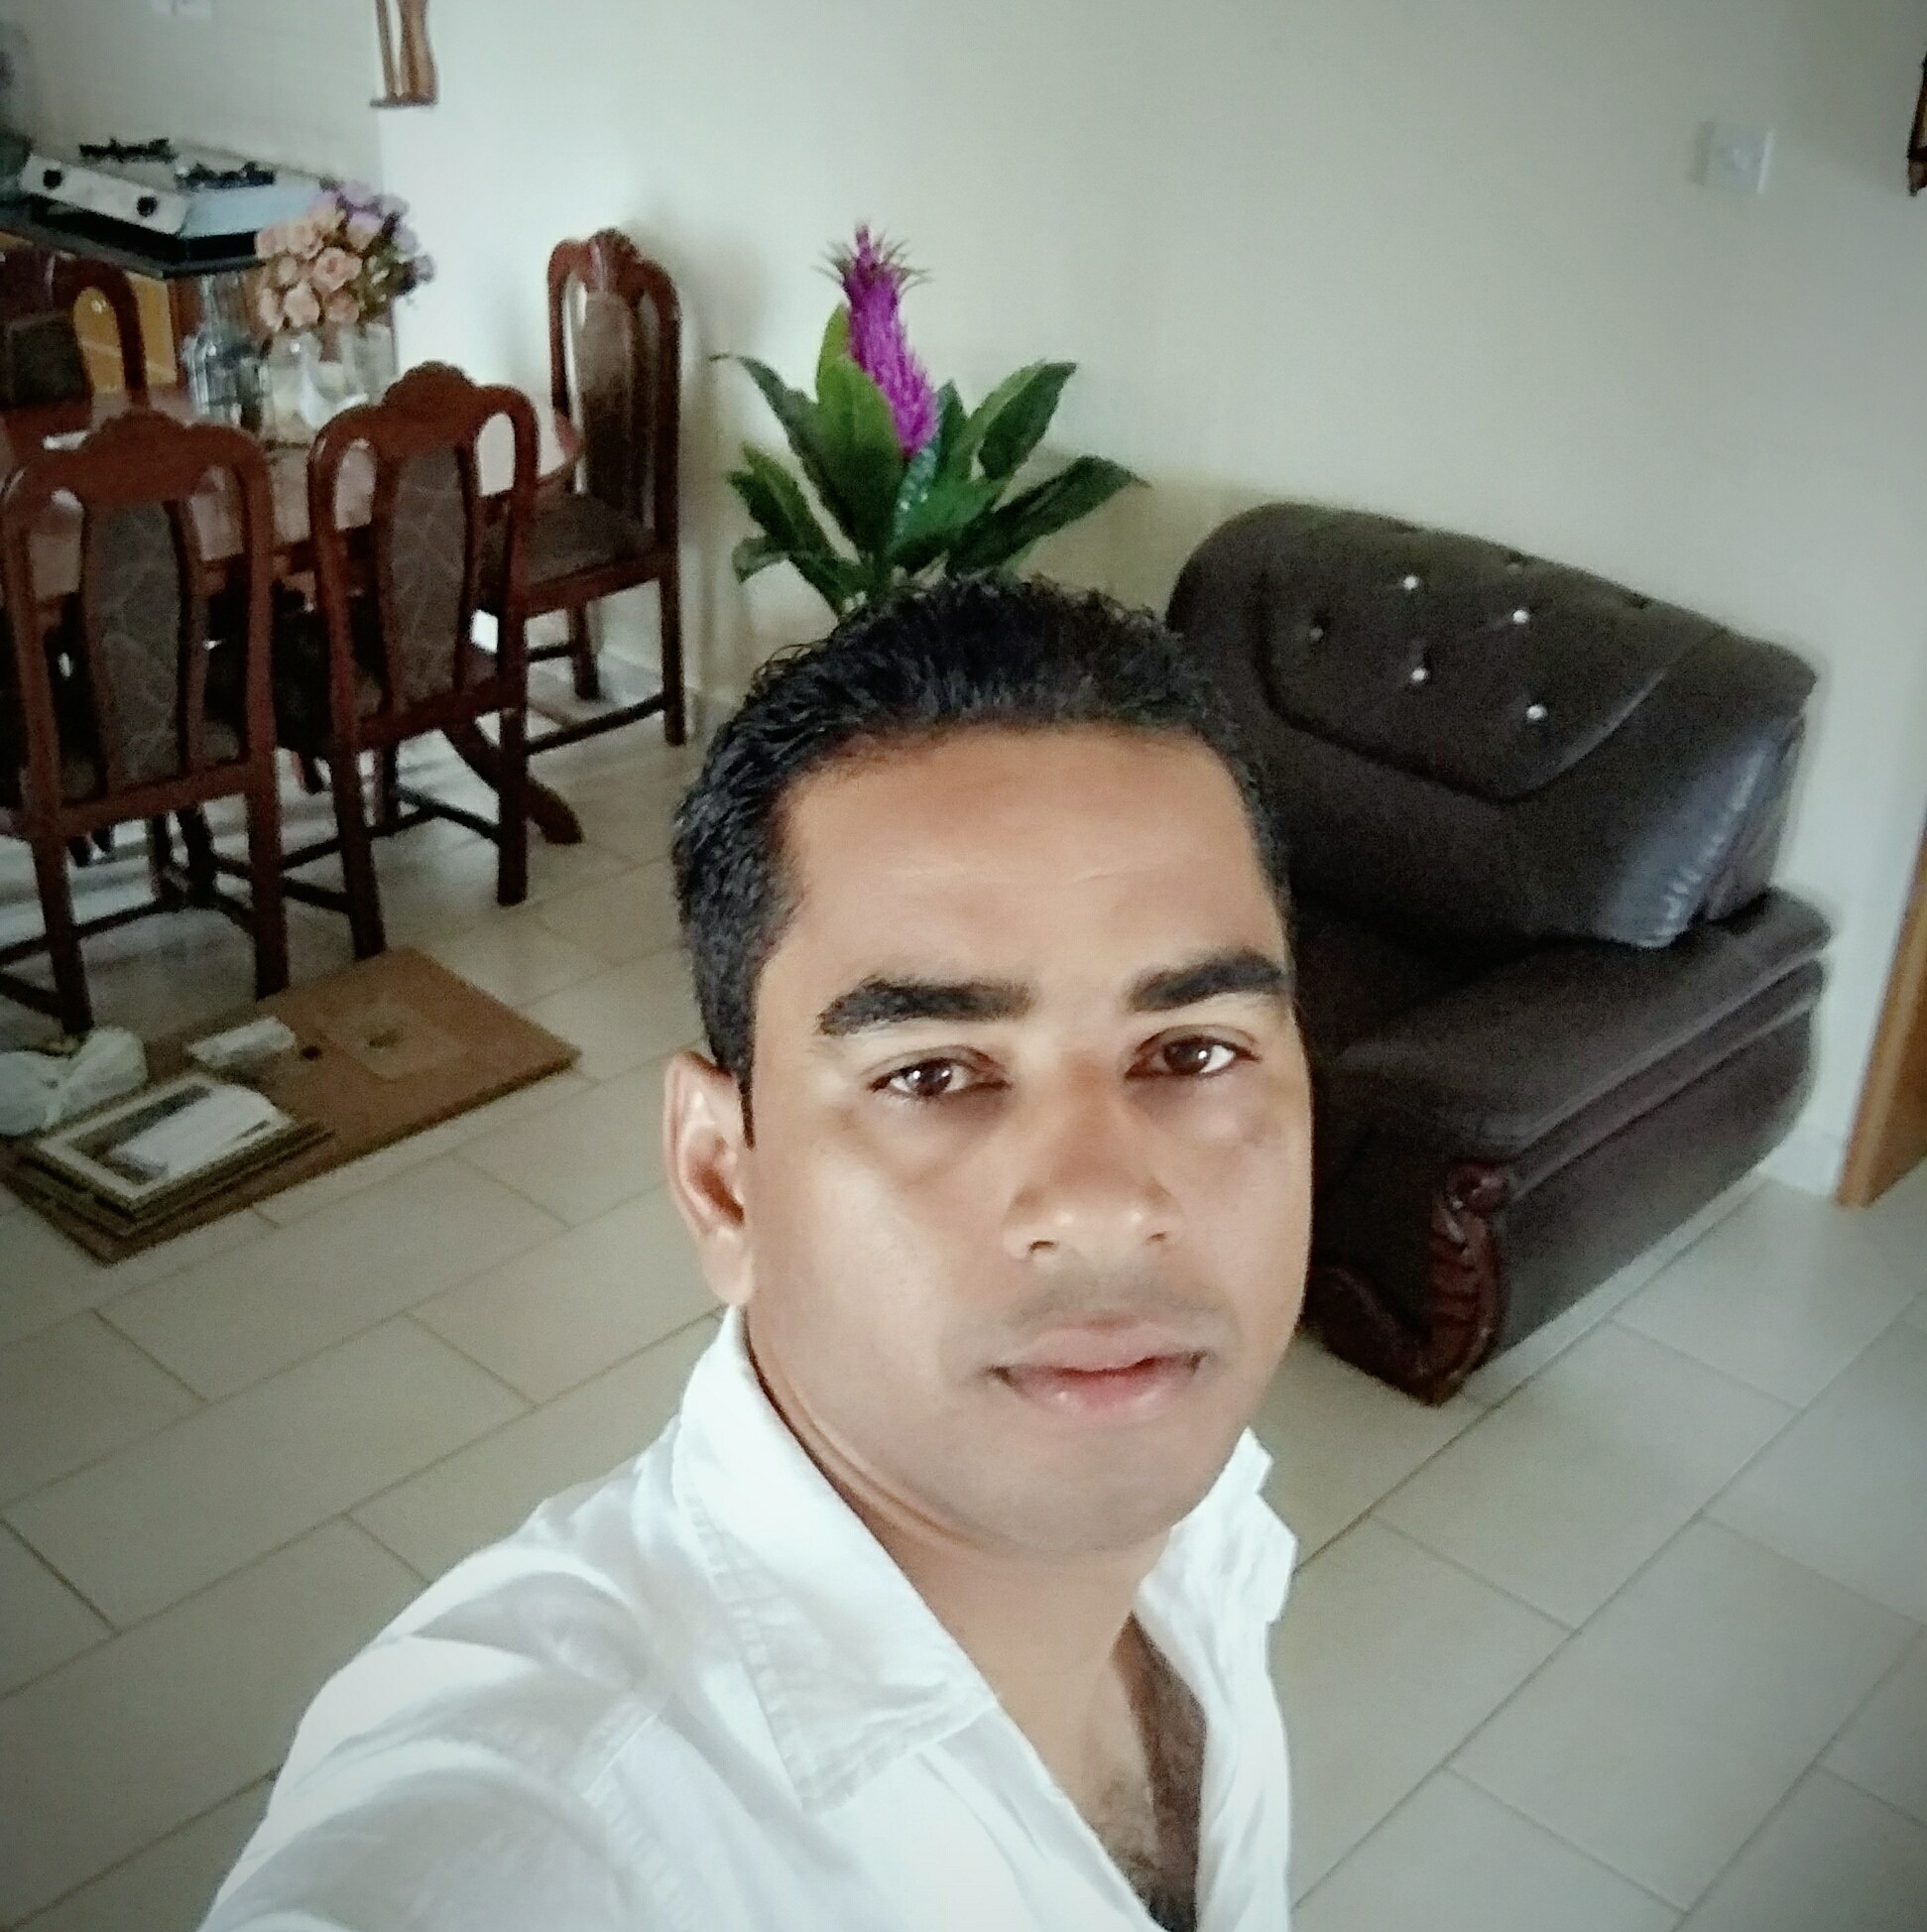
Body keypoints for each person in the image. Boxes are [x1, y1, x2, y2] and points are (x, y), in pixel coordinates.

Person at [202, 576, 1313, 1932]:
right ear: (723, 1181)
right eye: (933, 1073)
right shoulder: (546, 1821)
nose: (1101, 1205)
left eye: (1192, 1051)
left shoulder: (1213, 1530)